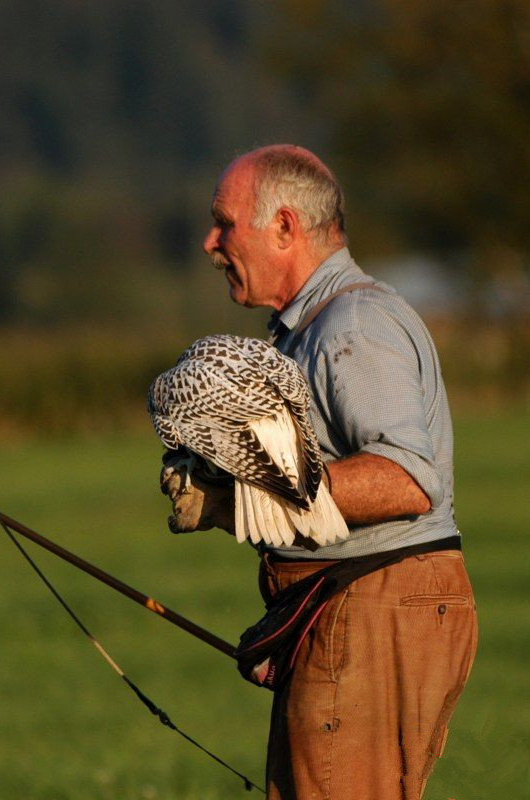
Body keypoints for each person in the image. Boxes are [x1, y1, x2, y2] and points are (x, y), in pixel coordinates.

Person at [160, 145, 478, 800]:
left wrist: (248, 496)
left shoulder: (352, 325)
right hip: (351, 605)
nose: (209, 242)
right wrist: (229, 502)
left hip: (372, 608)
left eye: (225, 223)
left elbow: (408, 478)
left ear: (283, 227)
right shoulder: (310, 329)